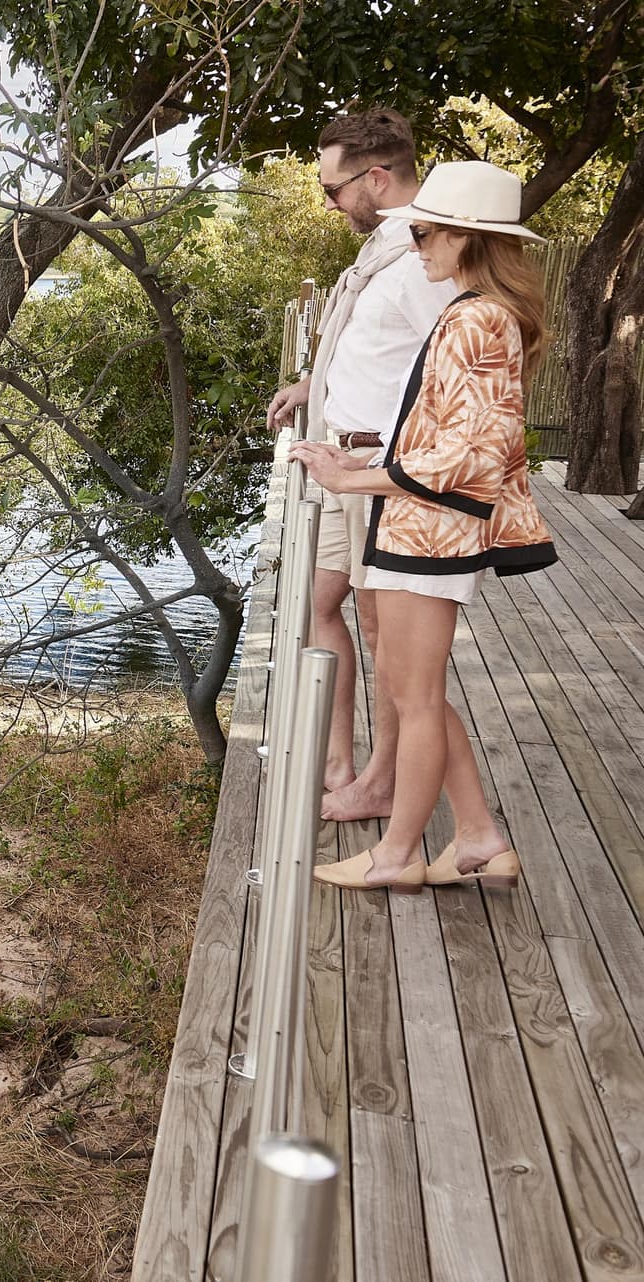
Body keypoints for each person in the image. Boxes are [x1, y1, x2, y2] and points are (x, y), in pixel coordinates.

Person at [297, 160, 558, 892]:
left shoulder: (478, 319)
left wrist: (353, 476)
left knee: (414, 699)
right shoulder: (473, 310)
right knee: (421, 695)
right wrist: (359, 463)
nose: (415, 243)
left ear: (465, 237)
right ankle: (476, 837)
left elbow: (465, 460)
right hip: (419, 529)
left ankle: (398, 854)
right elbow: (444, 439)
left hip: (431, 535)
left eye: (424, 230)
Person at [266, 108, 458, 822]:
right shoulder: (385, 251)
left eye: (333, 188)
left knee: (383, 632)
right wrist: (312, 383)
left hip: (378, 471)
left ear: (377, 177)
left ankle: (381, 778)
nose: (330, 202)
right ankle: (339, 757)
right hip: (342, 464)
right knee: (319, 602)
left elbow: (451, 367)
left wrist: (399, 460)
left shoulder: (422, 257)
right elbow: (379, 350)